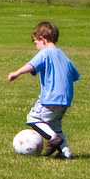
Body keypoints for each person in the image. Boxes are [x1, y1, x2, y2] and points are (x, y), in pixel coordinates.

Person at [7, 21, 79, 159]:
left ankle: (53, 138)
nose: (36, 47)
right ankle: (66, 153)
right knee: (55, 125)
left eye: (36, 43)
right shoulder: (63, 55)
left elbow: (32, 65)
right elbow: (74, 75)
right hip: (65, 99)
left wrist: (17, 72)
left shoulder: (45, 52)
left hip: (51, 97)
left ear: (42, 39)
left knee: (33, 118)